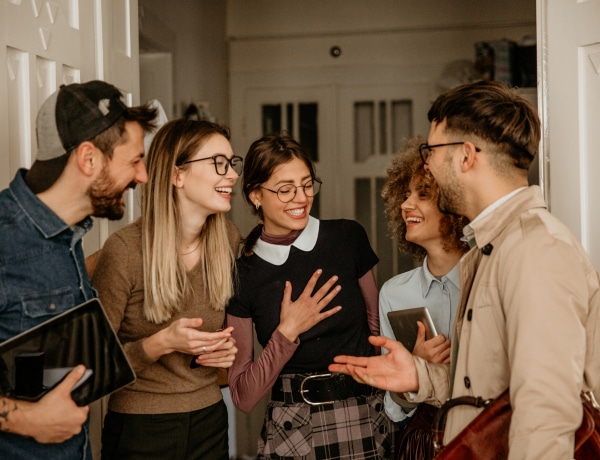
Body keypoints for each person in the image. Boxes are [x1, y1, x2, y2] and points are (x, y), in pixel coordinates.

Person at [330, 80, 600, 458]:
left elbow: (546, 415)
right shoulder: (487, 251)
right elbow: (488, 392)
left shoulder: (536, 249)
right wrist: (420, 377)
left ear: (466, 156)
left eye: (431, 151)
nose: (427, 164)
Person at [0, 80, 157, 459]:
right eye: (134, 160)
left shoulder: (69, 237)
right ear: (89, 159)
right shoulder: (6, 241)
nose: (143, 176)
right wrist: (26, 419)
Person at [227, 133, 396, 459]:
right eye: (285, 189)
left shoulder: (347, 237)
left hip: (362, 416)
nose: (301, 198)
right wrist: (286, 332)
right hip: (292, 429)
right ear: (255, 195)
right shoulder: (243, 274)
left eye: (307, 185)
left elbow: (377, 330)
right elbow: (244, 397)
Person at [91, 119, 241, 459]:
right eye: (219, 162)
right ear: (178, 175)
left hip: (210, 419)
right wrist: (159, 344)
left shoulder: (229, 240)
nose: (231, 174)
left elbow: (229, 332)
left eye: (232, 163)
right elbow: (93, 367)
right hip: (139, 426)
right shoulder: (124, 251)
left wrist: (225, 351)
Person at [378, 135, 468, 459]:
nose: (405, 205)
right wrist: (417, 370)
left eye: (423, 194)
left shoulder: (489, 281)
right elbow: (393, 409)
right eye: (404, 195)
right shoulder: (393, 293)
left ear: (455, 202)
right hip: (422, 444)